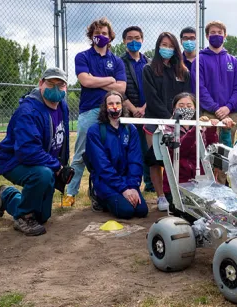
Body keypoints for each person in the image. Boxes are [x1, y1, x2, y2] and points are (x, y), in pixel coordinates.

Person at [0, 68, 70, 236]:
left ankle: (7, 196)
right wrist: (56, 167)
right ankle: (23, 217)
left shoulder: (62, 106)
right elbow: (27, 151)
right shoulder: (27, 112)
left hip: (42, 161)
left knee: (42, 217)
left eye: (60, 84)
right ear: (41, 84)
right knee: (43, 175)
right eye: (50, 83)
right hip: (13, 160)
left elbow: (62, 139)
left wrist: (62, 164)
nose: (56, 88)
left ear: (66, 87)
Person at [62, 17, 127, 207]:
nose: (100, 36)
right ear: (91, 35)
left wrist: (96, 79)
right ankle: (70, 193)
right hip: (89, 111)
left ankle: (103, 192)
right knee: (82, 153)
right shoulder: (82, 57)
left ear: (110, 36)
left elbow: (122, 88)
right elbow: (85, 82)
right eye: (97, 33)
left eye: (104, 33)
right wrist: (109, 79)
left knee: (110, 153)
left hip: (112, 112)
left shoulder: (116, 61)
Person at [143, 92, 234, 210]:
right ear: (174, 108)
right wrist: (196, 130)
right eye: (181, 105)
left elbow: (210, 149)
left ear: (195, 108)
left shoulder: (199, 124)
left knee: (220, 209)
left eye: (189, 106)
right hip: (176, 187)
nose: (185, 108)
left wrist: (211, 129)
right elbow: (180, 149)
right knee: (194, 213)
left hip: (201, 184)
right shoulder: (166, 128)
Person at [142, 32, 190, 211]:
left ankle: (177, 193)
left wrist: (178, 117)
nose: (167, 49)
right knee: (155, 159)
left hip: (178, 122)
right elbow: (152, 98)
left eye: (171, 46)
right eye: (164, 45)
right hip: (155, 121)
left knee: (176, 158)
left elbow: (186, 98)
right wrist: (167, 117)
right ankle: (161, 196)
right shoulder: (148, 69)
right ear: (157, 46)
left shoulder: (183, 71)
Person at [84, 91, 148, 219]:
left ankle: (120, 196)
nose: (115, 106)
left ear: (122, 105)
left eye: (118, 103)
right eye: (111, 103)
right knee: (126, 211)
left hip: (126, 179)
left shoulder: (131, 129)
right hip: (106, 180)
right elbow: (102, 165)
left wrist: (133, 186)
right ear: (105, 107)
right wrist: (123, 189)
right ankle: (97, 196)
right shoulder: (95, 131)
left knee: (142, 211)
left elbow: (135, 160)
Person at [191, 20, 237, 149]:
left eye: (220, 32)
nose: (216, 35)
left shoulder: (233, 61)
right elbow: (199, 87)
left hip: (230, 113)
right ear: (207, 36)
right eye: (213, 32)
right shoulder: (199, 60)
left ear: (225, 36)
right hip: (208, 113)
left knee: (228, 150)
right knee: (208, 149)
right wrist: (215, 108)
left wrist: (229, 107)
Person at [120, 26, 154, 192]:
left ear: (142, 40)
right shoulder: (120, 63)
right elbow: (119, 90)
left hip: (147, 113)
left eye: (137, 38)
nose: (134, 41)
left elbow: (155, 89)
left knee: (148, 148)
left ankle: (150, 183)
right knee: (130, 148)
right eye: (130, 38)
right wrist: (133, 109)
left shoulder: (150, 63)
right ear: (124, 41)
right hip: (128, 112)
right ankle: (131, 182)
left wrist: (144, 108)